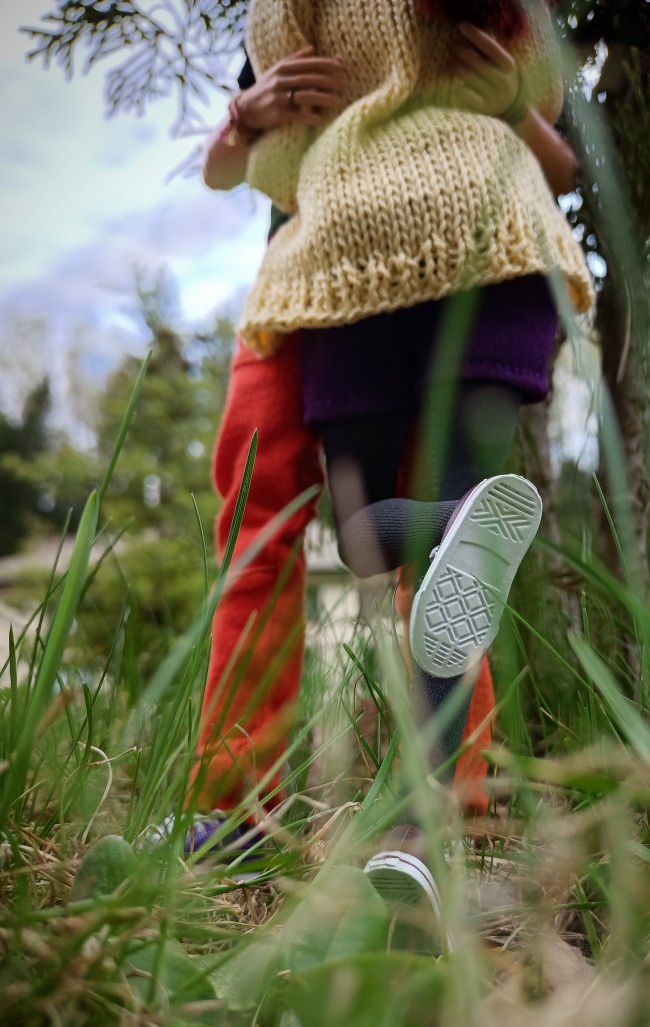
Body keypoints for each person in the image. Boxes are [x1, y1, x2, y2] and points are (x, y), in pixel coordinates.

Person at [228, 0, 593, 938]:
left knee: (374, 540)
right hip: (472, 248)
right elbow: (560, 154)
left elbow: (274, 162)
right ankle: (420, 838)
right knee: (436, 549)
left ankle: (416, 834)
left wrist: (264, 126)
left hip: (376, 268)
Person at [179, 39, 500, 858]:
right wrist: (244, 115)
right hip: (290, 290)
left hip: (415, 281)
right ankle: (233, 811)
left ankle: (454, 804)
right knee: (255, 524)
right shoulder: (287, 25)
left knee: (445, 530)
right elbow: (219, 172)